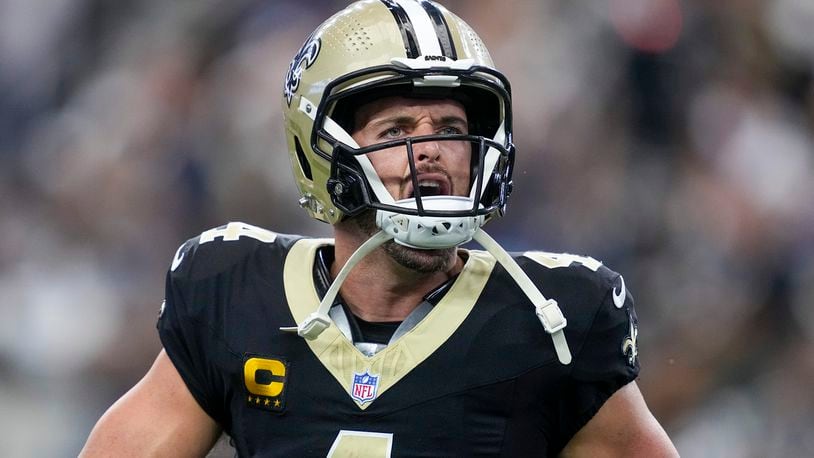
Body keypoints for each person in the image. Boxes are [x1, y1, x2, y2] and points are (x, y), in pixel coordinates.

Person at [81, 0, 678, 456]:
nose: (432, 152)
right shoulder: (234, 293)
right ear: (323, 154)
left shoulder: (556, 318)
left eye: (449, 128)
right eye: (396, 133)